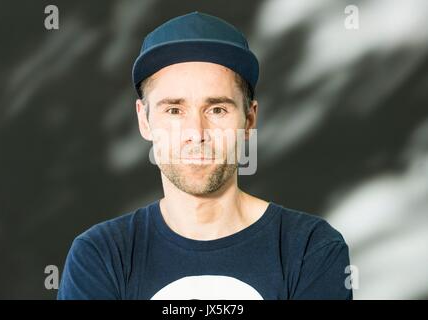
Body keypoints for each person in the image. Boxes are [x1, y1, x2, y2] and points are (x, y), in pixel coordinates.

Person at [57, 11, 352, 300]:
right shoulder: (101, 255)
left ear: (249, 120)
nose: (196, 133)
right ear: (144, 121)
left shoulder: (310, 248)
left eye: (217, 110)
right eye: (174, 110)